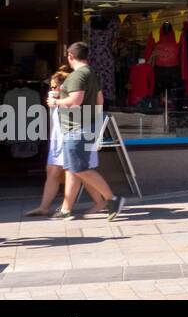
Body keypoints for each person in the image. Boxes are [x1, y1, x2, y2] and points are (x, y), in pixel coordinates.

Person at [47, 42, 124, 221]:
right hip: (84, 127)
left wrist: (56, 102)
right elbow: (99, 99)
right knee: (73, 169)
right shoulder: (91, 73)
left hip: (76, 129)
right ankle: (66, 209)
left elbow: (75, 100)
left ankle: (113, 199)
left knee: (80, 169)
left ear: (71, 56)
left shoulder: (76, 76)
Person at [24, 66, 106, 218]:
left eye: (55, 86)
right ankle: (44, 206)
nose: (52, 89)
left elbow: (83, 110)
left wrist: (57, 102)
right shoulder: (61, 99)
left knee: (79, 171)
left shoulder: (74, 97)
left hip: (73, 137)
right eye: (51, 86)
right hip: (60, 138)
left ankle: (76, 207)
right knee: (54, 170)